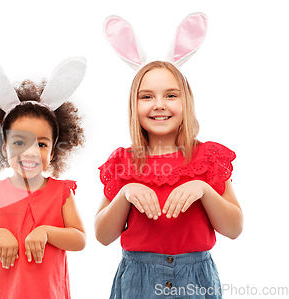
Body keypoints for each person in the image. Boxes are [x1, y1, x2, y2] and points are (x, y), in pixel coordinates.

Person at [96, 14, 243, 298]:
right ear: (133, 104)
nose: (159, 105)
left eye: (171, 95)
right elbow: (103, 236)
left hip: (195, 278)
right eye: (147, 96)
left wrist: (204, 190)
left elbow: (235, 228)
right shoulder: (124, 162)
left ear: (186, 101)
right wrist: (125, 192)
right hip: (138, 279)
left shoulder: (207, 157)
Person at [0, 58, 87, 299]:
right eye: (19, 142)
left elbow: (79, 239)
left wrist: (47, 231)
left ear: (52, 151)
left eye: (41, 144)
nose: (30, 152)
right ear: (4, 149)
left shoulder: (61, 193)